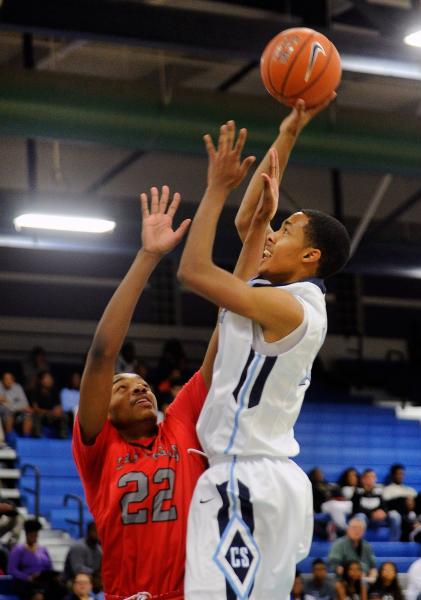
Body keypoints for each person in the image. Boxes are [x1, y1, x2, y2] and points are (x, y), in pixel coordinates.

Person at [178, 108, 350, 596]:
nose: (272, 234)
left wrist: (214, 188)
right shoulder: (282, 295)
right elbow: (250, 220)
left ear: (310, 257)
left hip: (245, 478)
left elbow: (193, 271)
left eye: (287, 231)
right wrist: (288, 131)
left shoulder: (287, 309)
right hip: (265, 480)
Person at [73, 187, 264, 600]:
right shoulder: (99, 449)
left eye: (140, 383)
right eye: (120, 388)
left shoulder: (178, 426)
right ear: (101, 413)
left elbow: (228, 326)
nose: (137, 386)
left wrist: (253, 234)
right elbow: (103, 352)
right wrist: (149, 256)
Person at [8, 518, 67, 600]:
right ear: (26, 534)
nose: (34, 537)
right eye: (31, 535)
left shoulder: (43, 549)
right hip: (26, 582)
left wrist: (53, 576)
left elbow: (49, 567)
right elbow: (12, 570)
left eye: (35, 535)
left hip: (43, 581)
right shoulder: (18, 549)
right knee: (38, 596)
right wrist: (27, 577)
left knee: (62, 590)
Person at [352, 468, 401, 541]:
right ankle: (358, 543)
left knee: (395, 515)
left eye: (373, 477)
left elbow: (385, 506)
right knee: (359, 516)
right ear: (363, 479)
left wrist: (384, 512)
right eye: (368, 477)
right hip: (366, 518)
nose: (371, 479)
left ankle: (394, 542)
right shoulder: (358, 492)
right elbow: (356, 509)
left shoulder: (379, 491)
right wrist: (371, 514)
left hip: (379, 518)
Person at [30, 371, 69, 438]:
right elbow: (35, 408)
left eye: (50, 378)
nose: (50, 380)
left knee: (64, 416)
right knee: (36, 415)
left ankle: (63, 436)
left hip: (53, 415)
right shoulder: (36, 392)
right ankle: (38, 436)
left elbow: (59, 406)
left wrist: (58, 410)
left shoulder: (55, 391)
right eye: (47, 378)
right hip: (42, 414)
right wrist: (49, 412)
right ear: (42, 381)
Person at [0, 371, 36, 437]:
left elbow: (25, 404)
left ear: (13, 380)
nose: (8, 381)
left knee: (28, 414)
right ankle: (9, 437)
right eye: (6, 379)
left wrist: (9, 404)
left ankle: (26, 438)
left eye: (10, 379)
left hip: (17, 413)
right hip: (3, 414)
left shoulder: (18, 387)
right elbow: (4, 405)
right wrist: (17, 406)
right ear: (2, 380)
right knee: (7, 411)